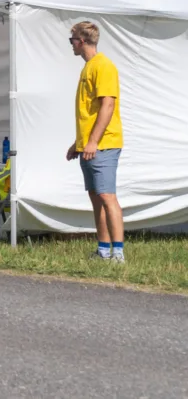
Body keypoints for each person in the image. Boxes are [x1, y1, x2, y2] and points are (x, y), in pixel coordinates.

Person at [65, 21, 125, 263]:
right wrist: (78, 143)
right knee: (95, 196)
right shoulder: (88, 67)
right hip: (90, 145)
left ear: (82, 41)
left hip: (104, 145)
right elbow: (90, 111)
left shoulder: (103, 66)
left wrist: (93, 142)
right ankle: (103, 250)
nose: (71, 45)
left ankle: (118, 253)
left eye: (72, 40)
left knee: (107, 196)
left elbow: (107, 106)